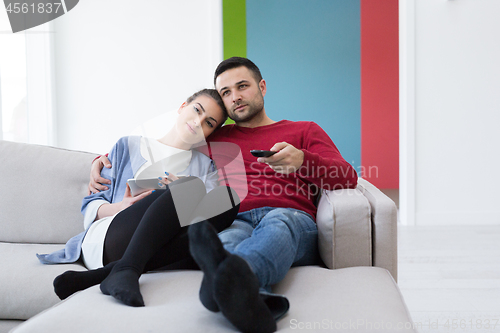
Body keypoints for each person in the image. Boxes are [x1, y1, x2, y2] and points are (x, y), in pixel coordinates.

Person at [90, 58, 358, 333]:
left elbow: (347, 177)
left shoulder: (304, 130)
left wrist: (303, 159)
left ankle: (229, 284)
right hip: (234, 218)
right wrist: (102, 159)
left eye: (242, 86)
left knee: (279, 224)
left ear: (262, 86)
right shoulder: (215, 137)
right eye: (227, 92)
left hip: (290, 215)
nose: (235, 97)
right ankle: (244, 295)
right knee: (224, 241)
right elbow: (172, 144)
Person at [38, 88, 241, 308]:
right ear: (183, 107)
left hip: (160, 247)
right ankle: (124, 268)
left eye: (209, 123)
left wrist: (179, 200)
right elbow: (90, 206)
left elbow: (204, 224)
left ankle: (113, 273)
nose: (198, 122)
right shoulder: (128, 146)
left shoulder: (205, 166)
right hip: (112, 237)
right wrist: (121, 207)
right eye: (197, 110)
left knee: (229, 200)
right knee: (189, 187)